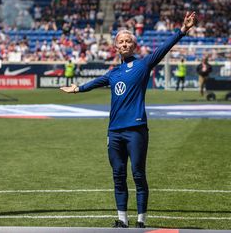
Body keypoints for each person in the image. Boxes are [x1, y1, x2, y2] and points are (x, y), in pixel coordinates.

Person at [60, 12, 197, 228]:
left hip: (136, 129)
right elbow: (95, 82)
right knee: (118, 175)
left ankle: (141, 220)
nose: (124, 44)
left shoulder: (143, 65)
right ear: (116, 47)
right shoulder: (113, 73)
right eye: (121, 42)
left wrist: (183, 30)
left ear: (134, 45)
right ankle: (122, 220)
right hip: (114, 131)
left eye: (128, 41)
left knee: (138, 174)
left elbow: (163, 49)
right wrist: (77, 88)